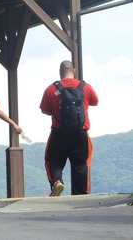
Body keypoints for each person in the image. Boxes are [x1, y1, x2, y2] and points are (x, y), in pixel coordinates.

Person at [39, 60, 99, 197]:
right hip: (81, 132)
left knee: (53, 160)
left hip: (58, 132)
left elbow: (44, 110)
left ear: (60, 72)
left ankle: (57, 181)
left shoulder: (51, 89)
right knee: (81, 164)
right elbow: (95, 102)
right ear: (74, 70)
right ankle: (80, 195)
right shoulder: (85, 87)